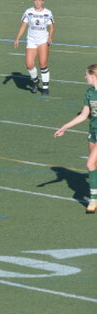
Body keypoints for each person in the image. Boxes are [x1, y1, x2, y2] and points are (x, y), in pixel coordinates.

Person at [53, 64, 97, 213]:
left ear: (93, 75)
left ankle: (93, 200)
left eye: (86, 74)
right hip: (93, 132)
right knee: (95, 165)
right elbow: (84, 115)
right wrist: (65, 127)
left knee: (90, 164)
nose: (84, 77)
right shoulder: (89, 93)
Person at [14, 0, 54, 95]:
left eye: (39, 0)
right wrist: (17, 38)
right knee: (29, 64)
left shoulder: (47, 13)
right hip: (31, 40)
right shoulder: (29, 12)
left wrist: (50, 37)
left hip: (43, 40)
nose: (37, 2)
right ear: (33, 1)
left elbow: (51, 27)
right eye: (36, 0)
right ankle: (35, 81)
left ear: (43, 1)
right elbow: (23, 26)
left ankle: (45, 88)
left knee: (43, 64)